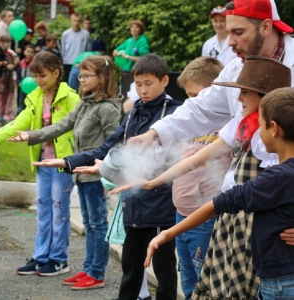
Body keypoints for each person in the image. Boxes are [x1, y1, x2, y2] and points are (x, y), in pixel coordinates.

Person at [117, 56, 291, 299]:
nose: (238, 99)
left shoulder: (276, 162)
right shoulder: (240, 126)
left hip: (263, 245)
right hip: (234, 226)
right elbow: (195, 160)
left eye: (243, 92)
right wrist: (151, 182)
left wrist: (169, 231)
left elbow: (228, 199)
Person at [127, 0, 294, 249]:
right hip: (243, 206)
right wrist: (154, 134)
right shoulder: (238, 67)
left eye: (238, 32)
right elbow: (200, 108)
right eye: (228, 33)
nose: (230, 43)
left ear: (266, 26)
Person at [30, 53, 182, 300]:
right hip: (132, 201)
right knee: (130, 268)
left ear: (165, 81)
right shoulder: (134, 112)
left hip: (162, 201)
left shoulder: (176, 112)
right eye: (138, 84)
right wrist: (68, 161)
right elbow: (107, 149)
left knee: (165, 271)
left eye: (149, 84)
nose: (143, 90)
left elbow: (175, 159)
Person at [9, 55, 123, 289]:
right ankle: (88, 269)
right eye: (80, 74)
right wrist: (31, 136)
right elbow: (62, 126)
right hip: (80, 172)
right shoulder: (86, 102)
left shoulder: (108, 108)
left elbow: (116, 143)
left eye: (86, 75)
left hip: (95, 175)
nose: (80, 79)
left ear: (102, 78)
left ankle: (97, 273)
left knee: (98, 224)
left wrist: (108, 172)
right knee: (91, 224)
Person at [0, 51, 80, 276]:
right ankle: (41, 257)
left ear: (56, 72)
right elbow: (18, 122)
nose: (39, 80)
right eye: (35, 76)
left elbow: (79, 129)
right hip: (42, 163)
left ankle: (59, 259)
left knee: (59, 212)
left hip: (62, 164)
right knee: (43, 211)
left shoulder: (71, 97)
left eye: (42, 75)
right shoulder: (35, 97)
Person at [171, 56, 231, 300]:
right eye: (187, 96)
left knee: (205, 283)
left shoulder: (228, 125)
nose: (190, 103)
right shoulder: (188, 122)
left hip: (207, 217)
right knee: (187, 280)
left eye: (195, 96)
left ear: (214, 92)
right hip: (180, 213)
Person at [61, 13, 90, 83]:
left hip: (80, 62)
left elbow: (87, 49)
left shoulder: (86, 34)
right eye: (74, 21)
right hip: (68, 62)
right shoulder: (65, 34)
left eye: (78, 21)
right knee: (66, 83)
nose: (76, 23)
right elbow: (63, 49)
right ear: (71, 21)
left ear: (80, 22)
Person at [0, 34, 19, 122]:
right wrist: (6, 66)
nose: (6, 44)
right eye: (4, 42)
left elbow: (16, 59)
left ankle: (1, 115)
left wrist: (13, 65)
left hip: (8, 78)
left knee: (5, 97)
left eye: (7, 42)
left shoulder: (10, 52)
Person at [17, 44, 35, 114]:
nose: (29, 53)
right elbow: (18, 73)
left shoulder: (34, 63)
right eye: (28, 51)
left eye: (31, 52)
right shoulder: (21, 63)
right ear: (24, 52)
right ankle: (20, 114)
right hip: (22, 86)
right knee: (21, 101)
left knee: (31, 100)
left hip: (32, 86)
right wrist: (19, 82)